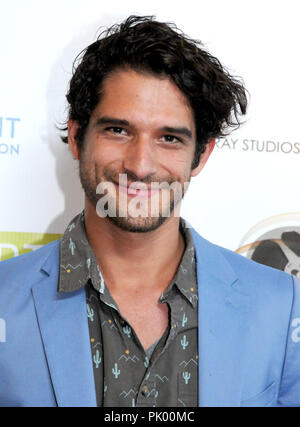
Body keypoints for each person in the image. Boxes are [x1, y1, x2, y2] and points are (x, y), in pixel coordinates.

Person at [0, 15, 300, 408]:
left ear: (201, 155)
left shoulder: (280, 305)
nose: (141, 165)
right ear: (76, 137)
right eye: (118, 130)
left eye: (169, 138)